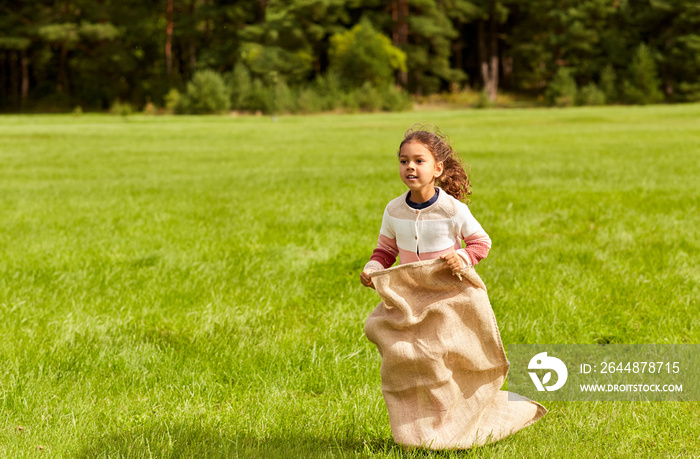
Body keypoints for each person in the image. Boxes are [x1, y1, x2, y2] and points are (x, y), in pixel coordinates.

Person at [360, 125, 491, 288]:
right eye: (404, 161)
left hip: (449, 292)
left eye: (419, 161)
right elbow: (386, 250)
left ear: (437, 168)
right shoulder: (393, 211)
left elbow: (481, 242)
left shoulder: (452, 210)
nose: (410, 166)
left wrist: (463, 258)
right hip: (410, 292)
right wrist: (373, 270)